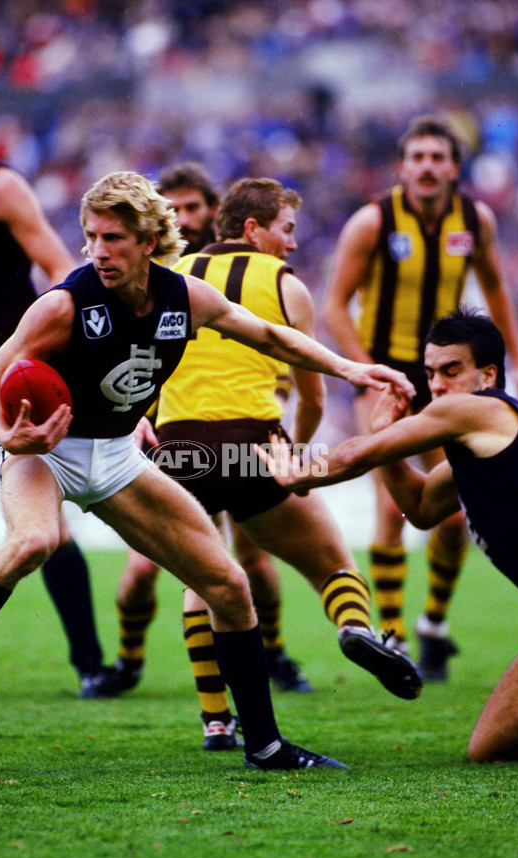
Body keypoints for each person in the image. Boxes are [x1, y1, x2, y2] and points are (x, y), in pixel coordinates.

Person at [0, 170, 417, 771]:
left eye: (113, 239)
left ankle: (264, 746)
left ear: (148, 240)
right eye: (90, 237)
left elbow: (272, 337)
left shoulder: (184, 297)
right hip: (47, 450)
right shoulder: (63, 304)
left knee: (229, 586)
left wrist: (353, 372)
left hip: (115, 455)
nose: (98, 252)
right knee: (33, 541)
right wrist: (6, 433)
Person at [152, 175, 423, 738]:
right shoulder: (284, 285)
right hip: (253, 447)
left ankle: (216, 720)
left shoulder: (172, 277)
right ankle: (353, 626)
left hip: (178, 453)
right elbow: (313, 394)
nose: (293, 244)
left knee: (200, 581)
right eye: (287, 230)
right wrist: (294, 459)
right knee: (332, 564)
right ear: (254, 230)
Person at [257, 308, 518, 762]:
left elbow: (357, 455)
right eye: (430, 373)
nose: (438, 386)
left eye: (451, 370)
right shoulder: (480, 442)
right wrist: (385, 436)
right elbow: (422, 508)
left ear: (488, 375)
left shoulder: (475, 410)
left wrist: (299, 474)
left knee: (491, 747)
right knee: (490, 747)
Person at [323, 114, 518, 682]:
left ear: (454, 168)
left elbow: (495, 286)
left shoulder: (476, 220)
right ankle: (391, 634)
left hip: (453, 374)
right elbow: (335, 306)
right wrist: (363, 374)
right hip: (393, 372)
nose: (426, 167)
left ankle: (433, 627)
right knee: (391, 511)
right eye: (417, 157)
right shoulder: (372, 222)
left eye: (437, 158)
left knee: (448, 515)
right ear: (402, 167)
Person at [112, 164, 312, 729]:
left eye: (192, 208)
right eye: (172, 210)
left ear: (211, 211)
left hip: (228, 432)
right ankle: (129, 662)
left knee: (243, 566)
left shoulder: (232, 277)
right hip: (179, 429)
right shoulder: (162, 277)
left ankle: (261, 664)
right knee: (149, 574)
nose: (185, 218)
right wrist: (136, 418)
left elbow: (271, 343)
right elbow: (141, 361)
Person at [0, 73, 107, 698]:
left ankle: (91, 663)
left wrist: (67, 340)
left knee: (47, 525)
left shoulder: (0, 185)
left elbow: (62, 268)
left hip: (15, 364)